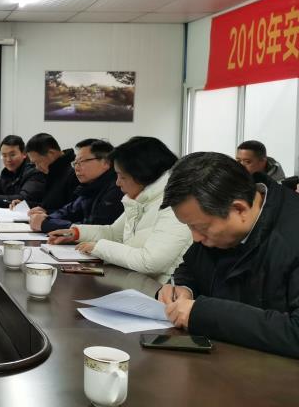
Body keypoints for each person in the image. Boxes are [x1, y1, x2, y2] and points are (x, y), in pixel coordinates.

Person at [157, 152, 299, 358]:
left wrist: (202, 314)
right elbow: (191, 268)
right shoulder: (216, 225)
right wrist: (183, 287)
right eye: (189, 227)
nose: (196, 238)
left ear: (239, 209)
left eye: (201, 228)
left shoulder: (291, 234)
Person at [48, 137, 192, 282]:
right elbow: (114, 233)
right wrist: (76, 232)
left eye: (122, 177)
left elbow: (150, 262)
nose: (117, 183)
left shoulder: (175, 205)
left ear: (142, 175)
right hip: (135, 281)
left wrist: (99, 248)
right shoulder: (140, 200)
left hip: (160, 288)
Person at [29, 139, 123, 232]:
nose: (76, 168)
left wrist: (47, 224)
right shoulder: (90, 187)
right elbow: (69, 211)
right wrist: (45, 218)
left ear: (106, 163)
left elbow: (95, 228)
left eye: (82, 161)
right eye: (75, 163)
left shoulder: (117, 188)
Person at [0, 135, 45, 208]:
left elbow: (23, 199)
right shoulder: (6, 173)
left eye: (12, 155)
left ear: (24, 154)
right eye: (4, 156)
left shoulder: (35, 172)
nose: (8, 159)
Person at [14, 133, 79, 211]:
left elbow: (75, 211)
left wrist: (47, 213)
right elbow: (49, 205)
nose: (37, 168)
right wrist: (26, 205)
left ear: (51, 153)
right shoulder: (52, 171)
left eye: (38, 162)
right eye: (34, 163)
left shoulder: (76, 172)